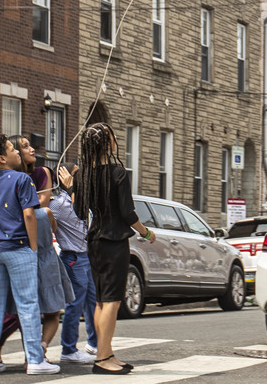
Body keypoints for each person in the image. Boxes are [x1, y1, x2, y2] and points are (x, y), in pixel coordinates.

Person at [0, 135, 59, 375]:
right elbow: (29, 214)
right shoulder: (22, 179)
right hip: (18, 247)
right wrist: (33, 247)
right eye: (12, 149)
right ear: (2, 158)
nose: (18, 152)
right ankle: (36, 359)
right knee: (28, 304)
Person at [73, 123, 155, 375]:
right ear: (107, 144)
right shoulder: (118, 173)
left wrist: (71, 188)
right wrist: (147, 232)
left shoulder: (81, 175)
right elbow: (128, 213)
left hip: (94, 241)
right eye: (113, 137)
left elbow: (78, 213)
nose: (115, 140)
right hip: (114, 241)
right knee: (111, 301)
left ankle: (105, 353)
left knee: (100, 301)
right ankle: (102, 358)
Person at [50, 164, 98, 364]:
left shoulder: (82, 200)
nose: (83, 177)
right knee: (75, 304)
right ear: (65, 177)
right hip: (73, 259)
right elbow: (45, 216)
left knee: (93, 302)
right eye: (78, 173)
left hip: (87, 257)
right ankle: (68, 350)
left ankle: (94, 344)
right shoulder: (59, 204)